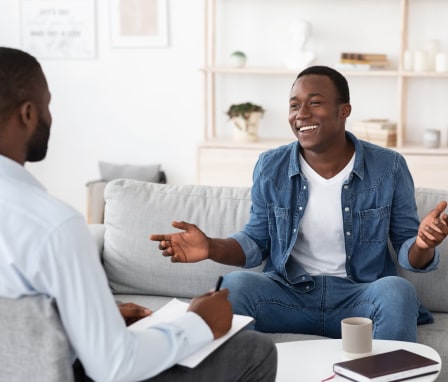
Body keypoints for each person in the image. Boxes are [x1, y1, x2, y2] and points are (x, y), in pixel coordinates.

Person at [0, 47, 277, 382]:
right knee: (253, 350)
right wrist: (199, 322)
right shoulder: (51, 226)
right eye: (48, 104)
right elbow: (115, 366)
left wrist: (99, 318)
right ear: (28, 113)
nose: (50, 117)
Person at [151, 65, 448, 342]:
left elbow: (411, 255)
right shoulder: (271, 166)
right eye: (294, 105)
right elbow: (256, 241)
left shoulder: (388, 167)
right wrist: (211, 247)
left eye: (314, 102)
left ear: (343, 111)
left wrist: (423, 244)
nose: (301, 114)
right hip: (289, 296)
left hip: (359, 298)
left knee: (398, 292)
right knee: (236, 285)